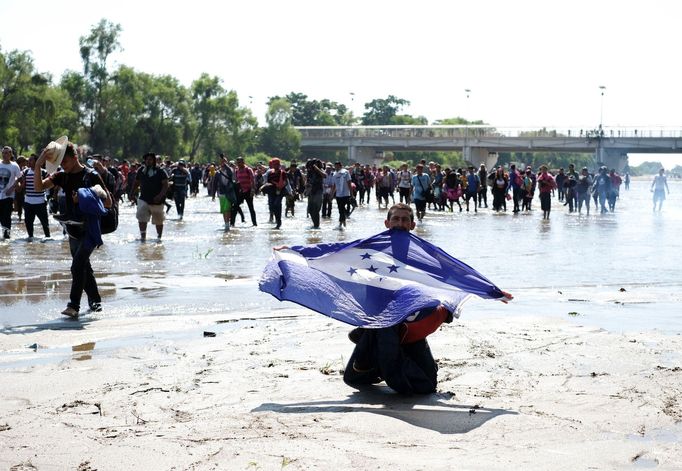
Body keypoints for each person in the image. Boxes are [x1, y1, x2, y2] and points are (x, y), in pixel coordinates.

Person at [341, 204, 448, 394]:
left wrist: (490, 291)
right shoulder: (373, 251)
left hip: (410, 326)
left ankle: (372, 346)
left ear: (413, 224)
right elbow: (336, 252)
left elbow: (454, 276)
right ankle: (375, 349)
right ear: (387, 223)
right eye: (396, 219)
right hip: (381, 322)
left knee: (427, 384)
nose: (400, 223)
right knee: (353, 378)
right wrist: (296, 252)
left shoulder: (423, 255)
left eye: (405, 219)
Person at [34, 139, 113, 317]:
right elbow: (39, 188)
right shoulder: (62, 175)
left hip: (91, 229)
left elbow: (107, 202)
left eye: (65, 162)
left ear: (75, 157)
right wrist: (39, 165)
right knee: (84, 266)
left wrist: (86, 196)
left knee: (77, 266)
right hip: (72, 230)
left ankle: (73, 306)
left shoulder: (91, 175)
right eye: (60, 163)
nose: (63, 166)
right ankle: (96, 302)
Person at [132, 152, 168, 241]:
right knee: (141, 218)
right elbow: (136, 183)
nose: (148, 161)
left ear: (154, 161)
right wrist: (131, 192)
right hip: (144, 199)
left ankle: (159, 238)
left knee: (158, 220)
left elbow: (165, 185)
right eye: (147, 159)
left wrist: (160, 196)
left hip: (157, 201)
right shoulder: (141, 170)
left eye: (150, 159)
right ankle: (143, 237)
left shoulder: (160, 171)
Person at [16, 154, 51, 240]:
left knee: (44, 223)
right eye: (28, 160)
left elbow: (49, 184)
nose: (28, 162)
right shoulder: (25, 172)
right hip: (28, 203)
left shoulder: (43, 172)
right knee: (28, 223)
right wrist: (20, 184)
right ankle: (30, 238)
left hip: (41, 202)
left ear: (37, 161)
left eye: (31, 160)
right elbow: (18, 180)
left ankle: (48, 237)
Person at [0, 146, 22, 239]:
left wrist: (13, 187)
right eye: (3, 153)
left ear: (11, 154)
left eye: (7, 153)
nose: (5, 155)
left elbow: (19, 178)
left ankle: (7, 237)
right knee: (1, 217)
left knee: (7, 216)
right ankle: (4, 233)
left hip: (8, 196)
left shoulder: (14, 166)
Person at [211, 158, 237, 231]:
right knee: (223, 210)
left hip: (229, 192)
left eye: (224, 162)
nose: (223, 163)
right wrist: (213, 195)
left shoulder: (230, 170)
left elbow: (230, 171)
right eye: (221, 162)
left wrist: (224, 163)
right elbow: (214, 184)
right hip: (221, 193)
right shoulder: (217, 173)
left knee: (227, 209)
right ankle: (226, 223)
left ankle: (227, 224)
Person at [232, 157, 257, 226]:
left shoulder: (248, 170)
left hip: (248, 191)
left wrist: (252, 189)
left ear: (243, 162)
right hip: (241, 192)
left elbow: (253, 180)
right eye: (237, 163)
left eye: (240, 162)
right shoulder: (237, 171)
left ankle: (254, 224)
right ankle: (232, 224)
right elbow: (237, 181)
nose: (238, 164)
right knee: (235, 207)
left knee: (251, 208)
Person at [331, 161, 352, 230]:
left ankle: (341, 224)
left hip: (345, 194)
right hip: (338, 195)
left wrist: (351, 193)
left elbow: (349, 183)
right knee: (340, 209)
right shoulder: (334, 174)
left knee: (341, 209)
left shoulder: (346, 172)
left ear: (341, 166)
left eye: (337, 166)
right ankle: (343, 222)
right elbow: (334, 185)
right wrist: (332, 194)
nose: (336, 167)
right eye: (335, 166)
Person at [304, 158, 325, 229]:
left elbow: (325, 175)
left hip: (318, 191)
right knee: (310, 210)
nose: (310, 167)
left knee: (316, 210)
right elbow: (307, 180)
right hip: (311, 191)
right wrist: (306, 189)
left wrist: (317, 169)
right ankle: (315, 225)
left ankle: (316, 225)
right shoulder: (309, 171)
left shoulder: (320, 170)